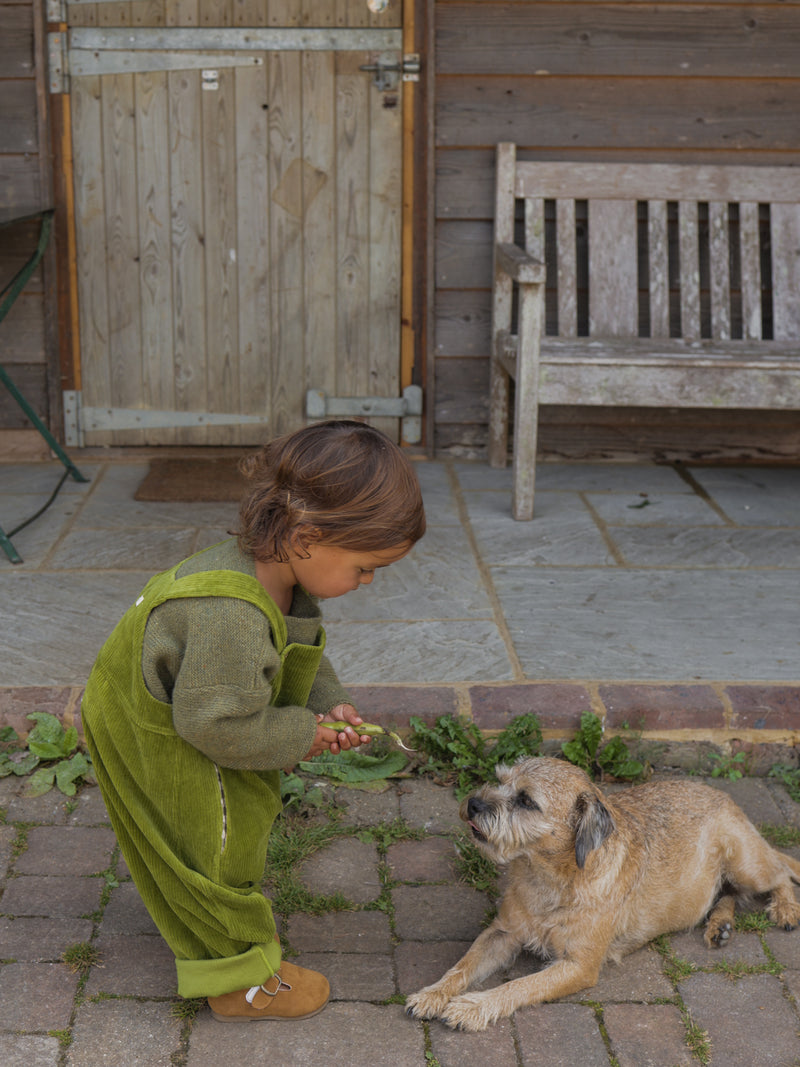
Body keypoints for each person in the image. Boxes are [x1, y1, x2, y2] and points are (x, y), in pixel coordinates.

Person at [81, 420, 426, 1022]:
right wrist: (303, 735)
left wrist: (327, 699)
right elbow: (215, 727)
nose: (368, 582)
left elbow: (294, 643)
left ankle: (210, 931)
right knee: (219, 842)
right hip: (161, 724)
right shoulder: (230, 616)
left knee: (211, 827)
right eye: (366, 567)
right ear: (309, 537)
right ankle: (238, 981)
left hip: (186, 706)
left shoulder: (275, 570)